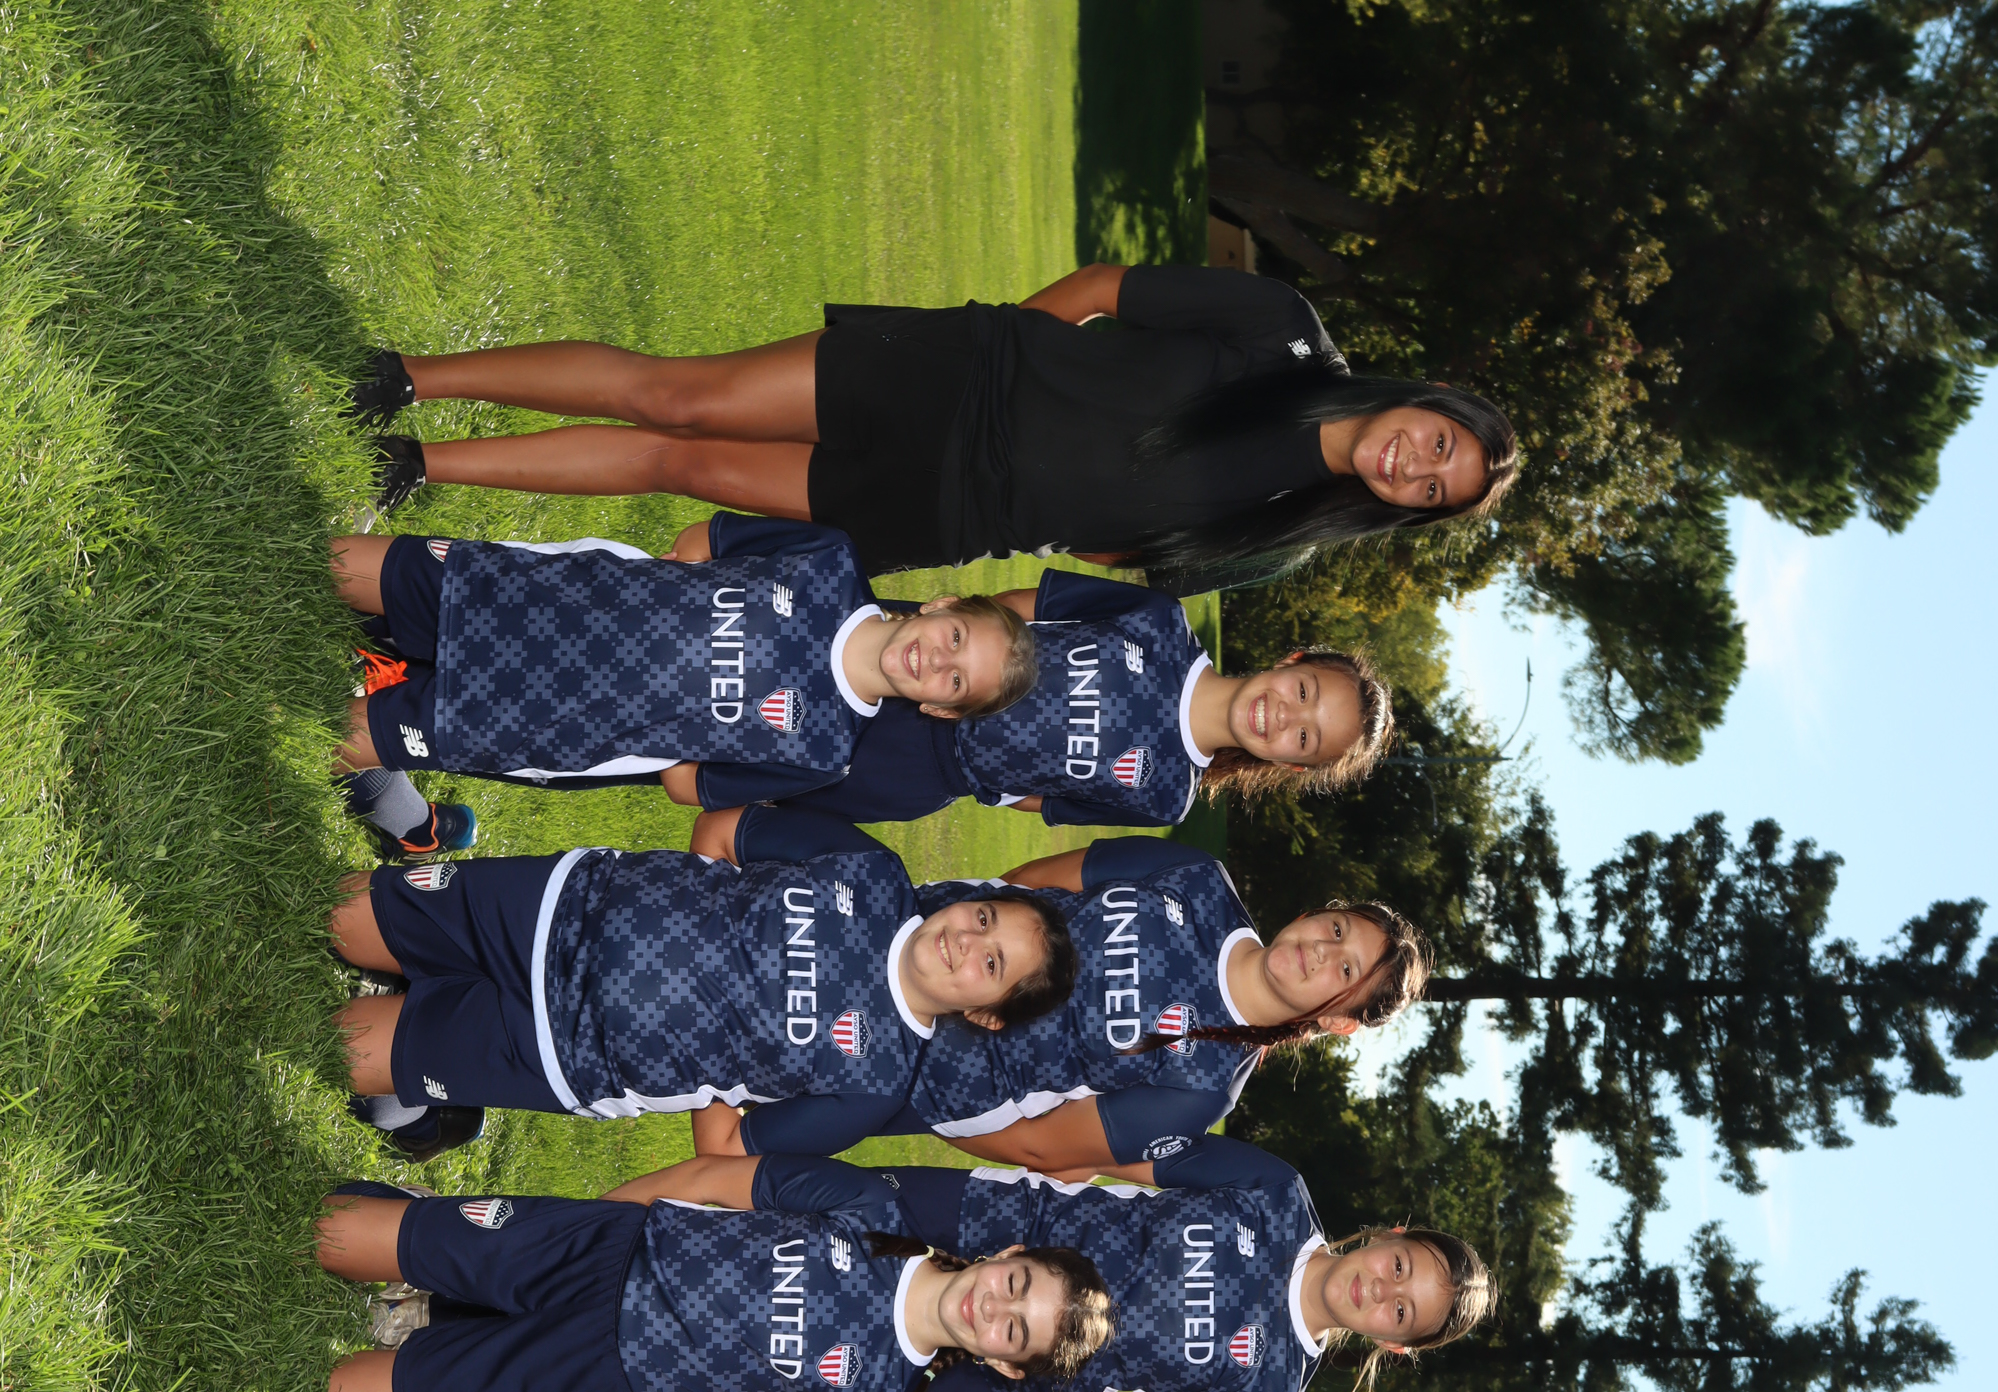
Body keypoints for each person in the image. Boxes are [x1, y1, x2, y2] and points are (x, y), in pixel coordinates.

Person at [346, 263, 1518, 584]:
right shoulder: (1281, 330)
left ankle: (420, 463)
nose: (1412, 466)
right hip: (950, 383)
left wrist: (1030, 509)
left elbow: (1129, 554)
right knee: (679, 397)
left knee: (679, 466)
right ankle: (411, 377)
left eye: (1431, 489)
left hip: (946, 513)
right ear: (1427, 403)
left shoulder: (1281, 535)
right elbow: (1103, 288)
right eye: (1437, 444)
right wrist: (1002, 356)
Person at [327, 805, 1074, 1167]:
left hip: (562, 1049)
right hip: (554, 906)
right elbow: (725, 832)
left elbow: (729, 1148)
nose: (966, 941)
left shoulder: (876, 1083)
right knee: (336, 915)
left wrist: (693, 1043)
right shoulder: (874, 874)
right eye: (984, 917)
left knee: (337, 1043)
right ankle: (416, 1036)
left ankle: (423, 1101)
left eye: (991, 965)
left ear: (987, 1014)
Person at [697, 823, 1427, 1176]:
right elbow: (1037, 884)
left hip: (910, 1070)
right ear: (1317, 912)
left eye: (1344, 969)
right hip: (914, 940)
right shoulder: (1199, 881)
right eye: (1337, 930)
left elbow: (1039, 1145)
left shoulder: (1202, 1090)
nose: (1320, 951)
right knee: (732, 950)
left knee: (725, 1077)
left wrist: (932, 1104)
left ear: (1337, 1022)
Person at [312, 1159, 1112, 1392]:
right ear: (1008, 1254)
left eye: (1015, 1331)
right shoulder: (873, 1209)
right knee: (335, 1232)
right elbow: (714, 1182)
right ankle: (432, 1258)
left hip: (604, 1371)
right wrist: (594, 1221)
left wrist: (655, 1379)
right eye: (1016, 1285)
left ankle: (436, 1313)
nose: (993, 1309)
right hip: (606, 1251)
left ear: (1007, 1366)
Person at [840, 1135, 1492, 1392]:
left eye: (1400, 1310)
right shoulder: (1276, 1193)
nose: (1380, 1288)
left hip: (991, 1355)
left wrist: (1022, 1367)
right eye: (1399, 1266)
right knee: (811, 1216)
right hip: (984, 1215)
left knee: (820, 1372)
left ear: (1393, 1343)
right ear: (1391, 1235)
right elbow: (1106, 1151)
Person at [330, 518, 1033, 795]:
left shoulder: (825, 752)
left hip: (534, 718)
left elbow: (688, 783)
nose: (935, 661)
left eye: (954, 680)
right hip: (532, 597)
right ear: (943, 604)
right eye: (956, 639)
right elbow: (705, 541)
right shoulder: (831, 560)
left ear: (940, 709)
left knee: (329, 739)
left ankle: (387, 677)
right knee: (326, 563)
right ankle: (386, 647)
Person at [699, 574, 1391, 830]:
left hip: (917, 771)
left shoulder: (1165, 799)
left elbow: (1046, 802)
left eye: (1305, 738)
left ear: (1293, 764)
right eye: (1305, 692)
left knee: (729, 773)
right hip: (918, 664)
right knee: (731, 664)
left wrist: (979, 770)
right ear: (1292, 661)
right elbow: (1019, 608)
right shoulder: (1160, 622)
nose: (1285, 716)